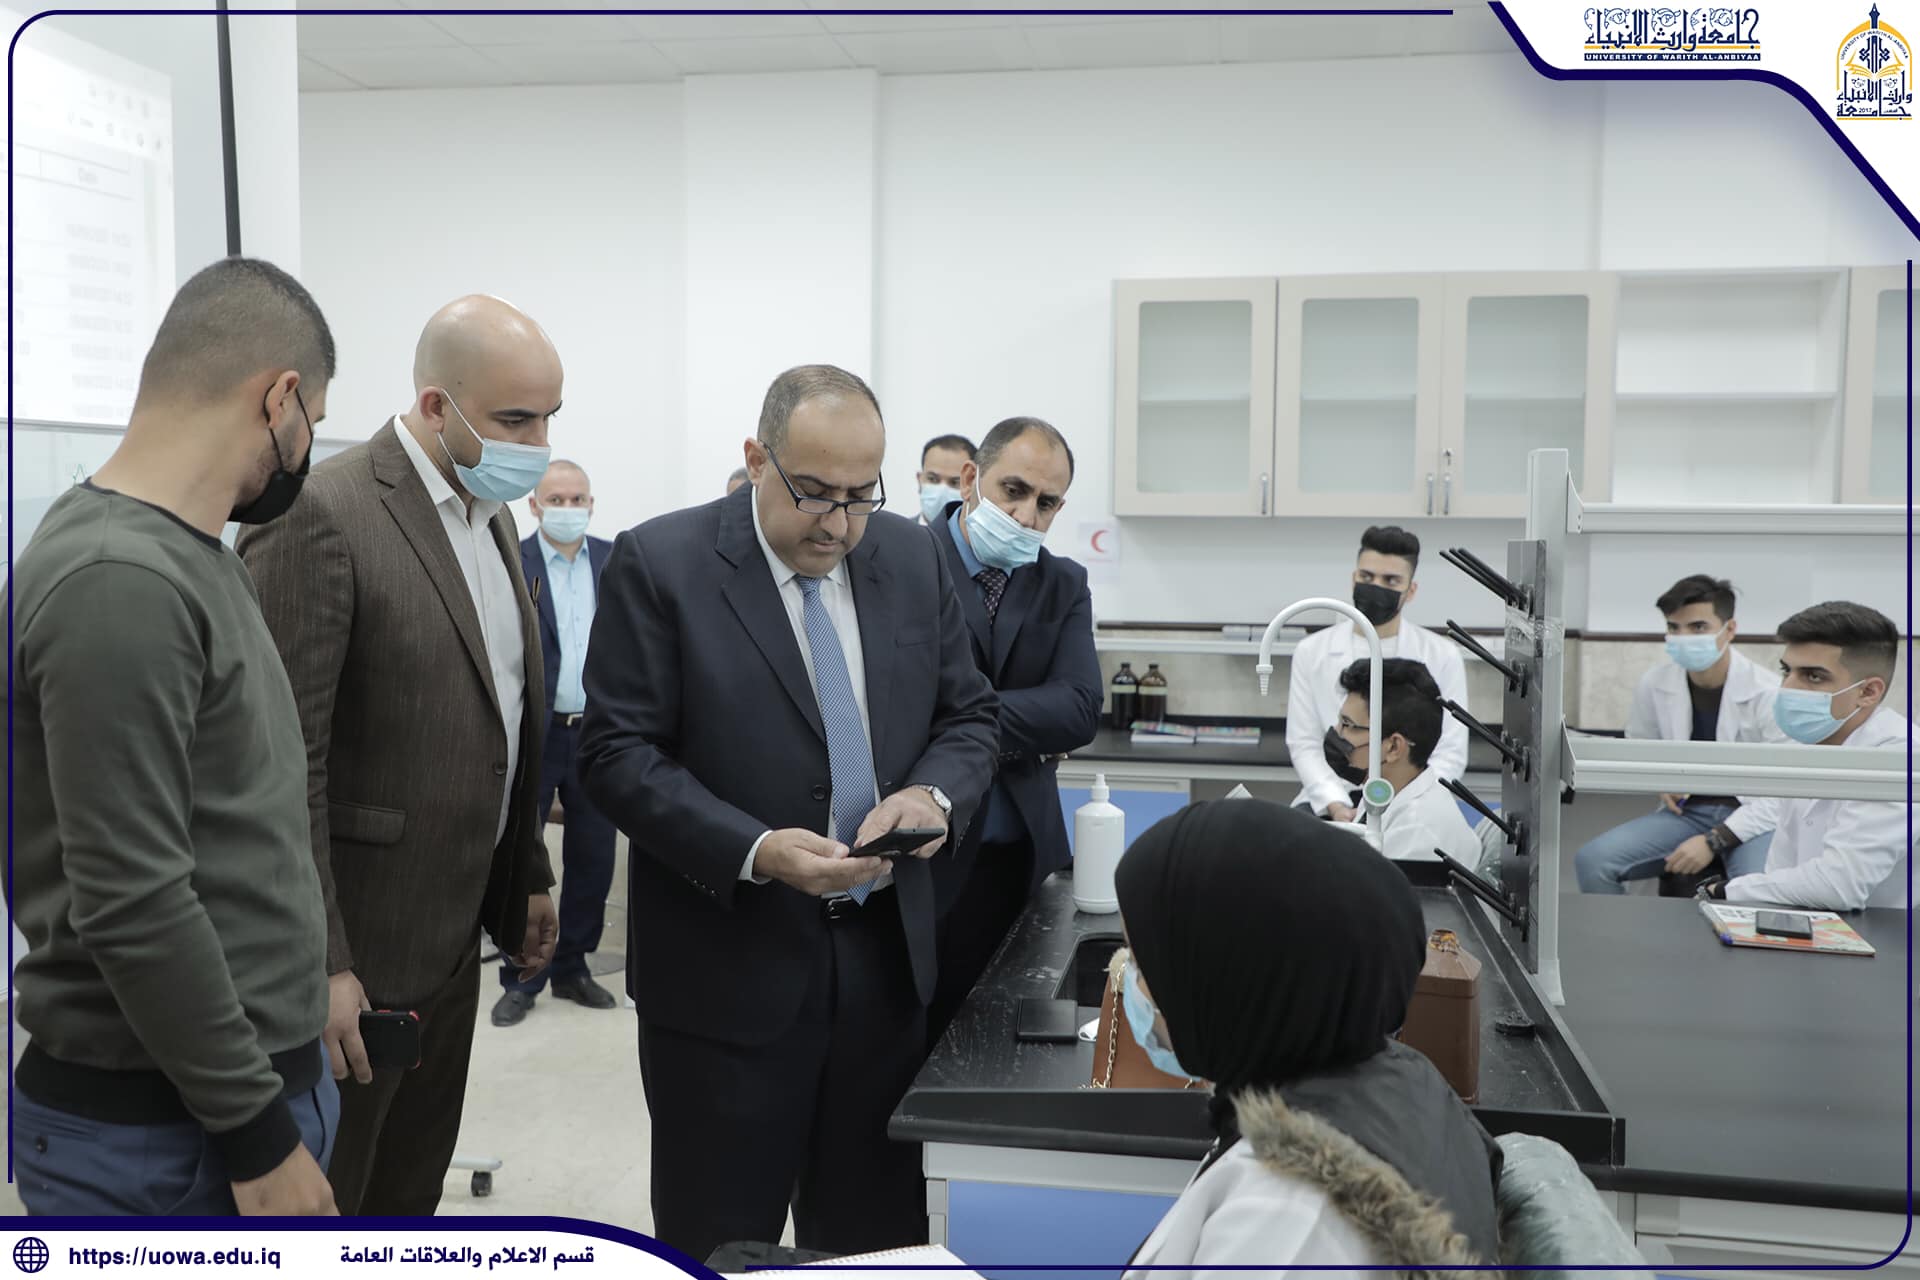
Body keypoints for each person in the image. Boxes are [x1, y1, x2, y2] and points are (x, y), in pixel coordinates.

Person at [578, 364, 998, 1262]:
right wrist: (757, 848)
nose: (838, 524)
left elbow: (970, 717)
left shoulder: (910, 555)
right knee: (720, 1244)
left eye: (860, 495)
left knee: (871, 1248)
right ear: (757, 459)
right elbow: (616, 755)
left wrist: (930, 794)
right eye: (813, 492)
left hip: (885, 975)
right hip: (725, 984)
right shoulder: (664, 563)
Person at [11, 257, 339, 1215]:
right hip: (170, 1138)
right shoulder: (119, 580)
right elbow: (131, 896)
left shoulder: (196, 559)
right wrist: (255, 1133)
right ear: (278, 398)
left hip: (228, 1103)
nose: (307, 451)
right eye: (313, 420)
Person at [238, 295, 562, 1215]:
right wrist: (320, 964)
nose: (537, 444)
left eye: (549, 418)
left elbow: (498, 714)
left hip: (452, 946)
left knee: (406, 1202)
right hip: (354, 961)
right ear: (433, 406)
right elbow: (276, 767)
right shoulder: (324, 514)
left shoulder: (490, 515)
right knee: (331, 1212)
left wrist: (528, 869)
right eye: (515, 420)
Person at [1116, 799, 1502, 1274]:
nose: (1131, 981)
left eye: (1144, 963)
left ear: (1227, 981)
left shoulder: (1290, 1217)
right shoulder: (1385, 1082)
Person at [925, 417, 1101, 1045]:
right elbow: (889, 705)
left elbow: (1079, 709)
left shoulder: (1062, 583)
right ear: (971, 479)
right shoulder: (904, 563)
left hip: (1025, 855)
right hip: (927, 855)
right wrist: (1027, 724)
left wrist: (951, 716)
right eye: (1014, 491)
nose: (1027, 516)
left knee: (1019, 1039)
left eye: (1046, 503)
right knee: (920, 1040)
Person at [492, 460, 619, 1026]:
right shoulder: (511, 560)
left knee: (594, 856)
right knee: (520, 853)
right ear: (535, 506)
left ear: (591, 504)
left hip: (597, 733)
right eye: (557, 500)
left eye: (578, 499)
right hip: (534, 733)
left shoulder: (614, 561)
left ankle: (572, 967)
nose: (569, 509)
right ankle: (520, 975)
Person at [1699, 602, 1914, 911]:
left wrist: (1724, 890)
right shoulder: (1810, 741)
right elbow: (1783, 865)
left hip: (1884, 932)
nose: (1788, 687)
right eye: (1787, 671)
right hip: (1811, 921)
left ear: (1867, 692)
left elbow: (1838, 886)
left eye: (1813, 677)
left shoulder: (1900, 755)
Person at [1575, 575, 1780, 895]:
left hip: (1754, 816)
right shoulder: (1655, 683)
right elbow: (1640, 749)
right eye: (1674, 627)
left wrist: (1714, 841)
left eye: (1698, 627)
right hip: (1689, 813)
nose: (1683, 637)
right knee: (1593, 862)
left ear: (1729, 629)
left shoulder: (1768, 693)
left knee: (1753, 893)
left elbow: (1782, 797)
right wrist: (1662, 781)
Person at [1287, 526, 1468, 821]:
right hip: (1332, 797)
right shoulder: (1312, 652)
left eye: (1391, 580)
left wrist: (1402, 805)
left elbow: (1451, 752)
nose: (1376, 587)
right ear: (1354, 578)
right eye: (1367, 577)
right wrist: (1336, 805)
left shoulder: (1441, 655)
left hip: (1410, 803)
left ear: (1411, 591)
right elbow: (1304, 743)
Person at [1327, 658, 1481, 866]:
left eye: (1347, 724)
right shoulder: (1384, 793)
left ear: (1393, 747)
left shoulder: (1418, 834)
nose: (1337, 733)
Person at [916, 433, 975, 524]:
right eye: (932, 479)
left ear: (972, 485)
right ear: (919, 480)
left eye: (955, 482)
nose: (942, 491)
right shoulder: (898, 531)